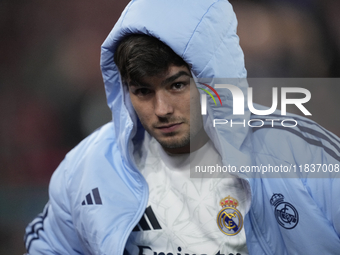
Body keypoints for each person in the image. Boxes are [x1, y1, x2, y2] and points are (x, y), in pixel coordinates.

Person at [24, 0, 340, 254]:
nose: (161, 110)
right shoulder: (86, 170)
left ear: (212, 78)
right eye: (143, 91)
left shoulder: (307, 159)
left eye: (176, 85)